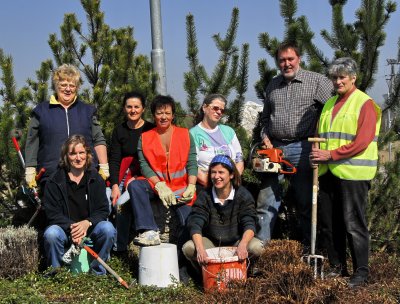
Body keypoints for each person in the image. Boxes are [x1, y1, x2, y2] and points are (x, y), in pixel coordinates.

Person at [310, 57, 381, 288]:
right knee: (330, 224)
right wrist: (316, 153)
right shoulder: (330, 103)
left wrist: (330, 155)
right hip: (328, 173)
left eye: (342, 77)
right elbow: (321, 137)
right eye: (334, 77)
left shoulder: (365, 103)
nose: (338, 81)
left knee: (353, 224)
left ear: (353, 78)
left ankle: (361, 273)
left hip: (353, 174)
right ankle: (337, 266)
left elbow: (362, 141)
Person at [257, 42, 334, 245]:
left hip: (304, 148)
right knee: (266, 201)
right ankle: (260, 248)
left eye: (290, 59)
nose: (287, 64)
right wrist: (265, 137)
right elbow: (265, 119)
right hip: (275, 150)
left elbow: (332, 110)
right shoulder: (273, 85)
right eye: (282, 60)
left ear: (299, 58)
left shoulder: (317, 81)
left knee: (307, 201)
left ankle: (311, 247)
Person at [127, 95, 198, 246]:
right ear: (153, 115)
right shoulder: (145, 138)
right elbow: (144, 165)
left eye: (167, 113)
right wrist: (159, 184)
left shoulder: (185, 134)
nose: (163, 117)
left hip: (181, 190)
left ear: (173, 115)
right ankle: (149, 231)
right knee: (135, 186)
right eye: (160, 113)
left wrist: (191, 185)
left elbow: (192, 162)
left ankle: (183, 263)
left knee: (189, 225)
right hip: (156, 186)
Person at [24, 64, 109, 189]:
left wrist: (104, 165)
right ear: (56, 86)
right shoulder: (41, 111)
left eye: (72, 85)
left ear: (77, 88)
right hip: (51, 175)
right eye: (63, 85)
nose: (68, 89)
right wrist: (30, 168)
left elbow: (98, 139)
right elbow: (32, 141)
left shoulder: (87, 111)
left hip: (85, 174)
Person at [43, 135, 116, 275]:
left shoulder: (96, 179)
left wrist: (87, 223)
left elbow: (103, 210)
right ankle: (57, 274)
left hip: (90, 229)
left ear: (87, 154)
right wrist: (73, 228)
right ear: (66, 156)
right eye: (73, 153)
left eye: (81, 153)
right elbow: (52, 213)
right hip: (65, 230)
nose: (78, 158)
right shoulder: (54, 181)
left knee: (108, 229)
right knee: (51, 233)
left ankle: (98, 273)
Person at [182, 154, 263, 271]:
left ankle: (248, 274)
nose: (216, 176)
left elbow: (250, 222)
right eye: (213, 172)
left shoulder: (243, 195)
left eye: (221, 172)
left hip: (236, 241)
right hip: (212, 243)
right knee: (189, 247)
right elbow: (195, 223)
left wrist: (243, 244)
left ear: (231, 175)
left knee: (257, 247)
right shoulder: (205, 195)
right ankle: (205, 276)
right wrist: (200, 249)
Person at [109, 91, 154, 252]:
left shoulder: (150, 129)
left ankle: (119, 248)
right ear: (124, 109)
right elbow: (114, 160)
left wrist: (137, 177)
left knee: (122, 205)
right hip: (121, 175)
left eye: (136, 107)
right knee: (107, 201)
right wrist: (114, 185)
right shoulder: (119, 130)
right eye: (129, 107)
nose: (133, 110)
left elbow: (152, 160)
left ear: (143, 109)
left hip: (141, 177)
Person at [190, 94, 244, 189]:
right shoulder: (193, 134)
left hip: (230, 186)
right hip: (206, 186)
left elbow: (239, 160)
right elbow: (193, 165)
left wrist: (232, 182)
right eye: (215, 108)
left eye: (222, 110)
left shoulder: (229, 131)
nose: (219, 112)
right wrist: (214, 185)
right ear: (204, 107)